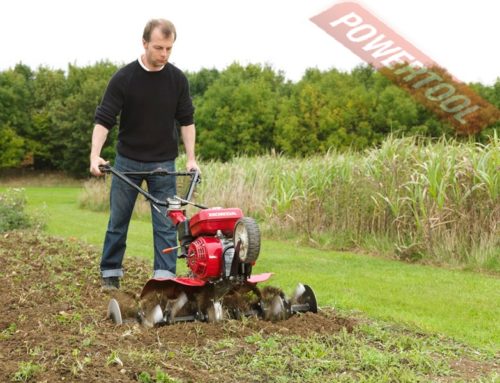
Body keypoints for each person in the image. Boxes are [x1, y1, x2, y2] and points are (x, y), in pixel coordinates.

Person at [89, 19, 198, 290]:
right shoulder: (125, 78)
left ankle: (163, 278)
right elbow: (104, 120)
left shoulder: (177, 79)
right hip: (127, 163)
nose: (164, 54)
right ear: (145, 43)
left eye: (169, 49)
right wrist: (95, 156)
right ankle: (110, 272)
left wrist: (191, 158)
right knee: (119, 220)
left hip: (163, 164)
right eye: (159, 47)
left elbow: (186, 121)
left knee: (166, 223)